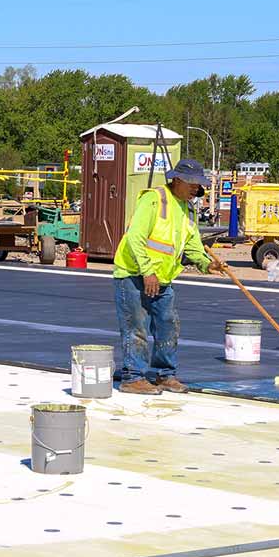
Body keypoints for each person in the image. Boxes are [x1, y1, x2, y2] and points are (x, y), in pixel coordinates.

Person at [112, 158, 224, 395]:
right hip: (134, 275)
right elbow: (135, 237)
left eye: (198, 184)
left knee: (168, 324)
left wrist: (206, 264)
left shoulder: (186, 209)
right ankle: (133, 376)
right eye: (192, 183)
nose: (196, 188)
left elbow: (192, 245)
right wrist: (147, 271)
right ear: (177, 180)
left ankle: (165, 374)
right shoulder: (154, 199)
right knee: (137, 326)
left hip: (162, 279)